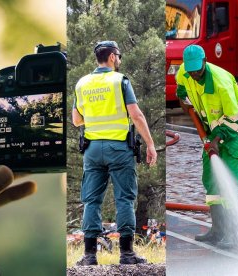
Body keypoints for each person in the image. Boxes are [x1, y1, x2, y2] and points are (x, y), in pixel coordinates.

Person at [72, 41, 157, 265]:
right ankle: (127, 254)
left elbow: (76, 119)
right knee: (124, 199)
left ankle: (89, 256)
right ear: (111, 57)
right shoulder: (120, 81)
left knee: (91, 200)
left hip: (92, 150)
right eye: (118, 55)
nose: (119, 59)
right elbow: (136, 115)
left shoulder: (82, 83)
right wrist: (150, 144)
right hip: (118, 148)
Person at [175, 45, 238, 246]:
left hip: (234, 129)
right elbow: (181, 87)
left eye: (198, 71)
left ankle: (234, 236)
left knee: (229, 180)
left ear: (205, 61)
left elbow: (233, 119)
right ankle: (218, 231)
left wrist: (216, 142)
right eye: (191, 72)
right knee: (210, 179)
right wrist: (182, 100)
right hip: (211, 130)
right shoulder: (185, 71)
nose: (195, 75)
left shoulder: (221, 83)